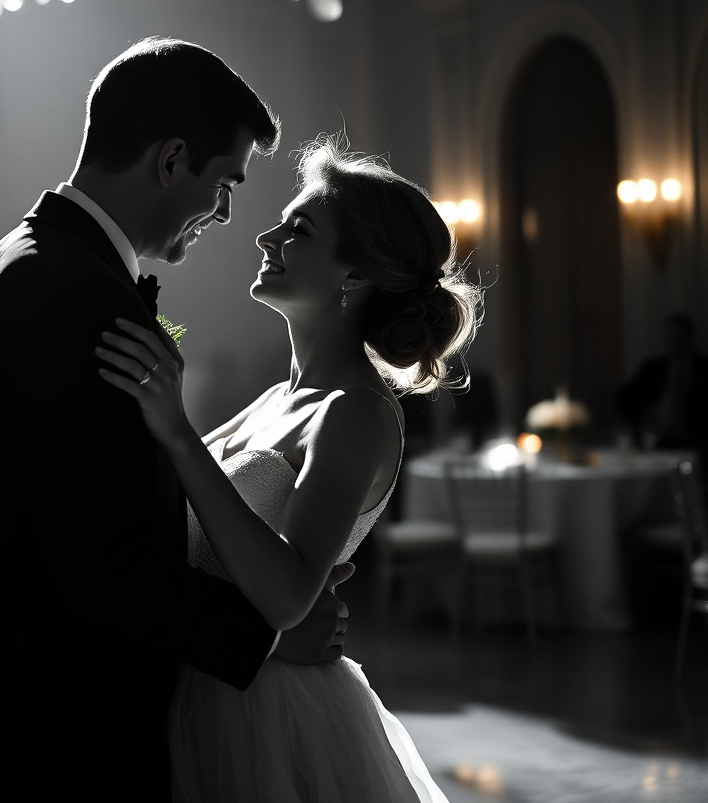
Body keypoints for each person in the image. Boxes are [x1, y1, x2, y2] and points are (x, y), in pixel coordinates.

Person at [0, 38, 353, 802]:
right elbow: (100, 560)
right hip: (47, 744)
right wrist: (266, 635)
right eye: (226, 182)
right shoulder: (75, 296)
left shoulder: (14, 265)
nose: (227, 213)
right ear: (172, 160)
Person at [100, 135, 478, 801]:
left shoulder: (356, 412)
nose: (266, 237)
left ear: (354, 273)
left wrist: (181, 434)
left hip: (267, 717)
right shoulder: (280, 398)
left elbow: (284, 598)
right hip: (202, 676)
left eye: (297, 228)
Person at [617, 313, 708, 452]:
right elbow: (623, 398)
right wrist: (639, 424)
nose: (672, 343)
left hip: (695, 443)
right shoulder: (653, 369)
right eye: (668, 338)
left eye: (676, 338)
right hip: (660, 442)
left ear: (688, 338)